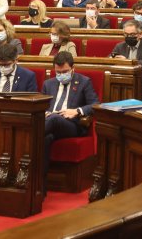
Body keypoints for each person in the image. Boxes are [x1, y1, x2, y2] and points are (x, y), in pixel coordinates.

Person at [42, 52, 99, 191]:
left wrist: (77, 111)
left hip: (72, 125)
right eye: (58, 72)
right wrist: (44, 112)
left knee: (54, 119)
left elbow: (96, 105)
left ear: (73, 69)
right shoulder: (48, 84)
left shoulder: (84, 82)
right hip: (50, 123)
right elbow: (41, 105)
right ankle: (40, 186)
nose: (61, 75)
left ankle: (28, 134)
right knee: (45, 138)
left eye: (65, 72)